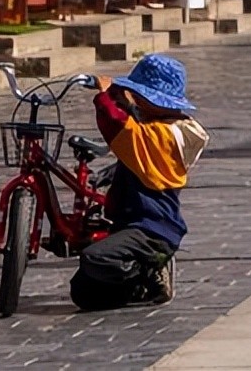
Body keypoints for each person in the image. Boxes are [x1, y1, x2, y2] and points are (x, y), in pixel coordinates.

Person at [69, 54, 209, 310]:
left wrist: (106, 95)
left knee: (95, 259)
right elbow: (134, 142)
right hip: (129, 223)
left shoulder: (165, 136)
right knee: (83, 293)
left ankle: (150, 267)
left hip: (152, 229)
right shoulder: (157, 127)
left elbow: (119, 126)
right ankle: (139, 288)